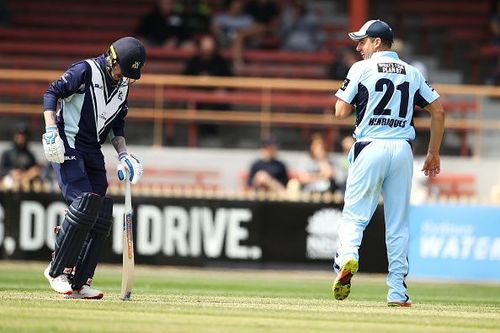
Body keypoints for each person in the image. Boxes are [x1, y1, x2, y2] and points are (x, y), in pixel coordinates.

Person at [331, 20, 445, 307]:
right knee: (397, 225)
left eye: (363, 41)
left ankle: (347, 258)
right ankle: (397, 292)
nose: (359, 47)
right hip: (403, 150)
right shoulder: (413, 72)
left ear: (377, 43)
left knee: (354, 217)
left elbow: (340, 112)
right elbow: (439, 111)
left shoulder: (361, 69)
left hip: (370, 146)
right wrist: (433, 153)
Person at [42, 37, 146, 299]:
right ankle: (57, 271)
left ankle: (80, 281)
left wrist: (123, 155)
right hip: (68, 144)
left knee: (100, 212)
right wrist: (51, 131)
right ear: (112, 59)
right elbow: (51, 93)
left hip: (93, 150)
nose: (127, 77)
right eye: (124, 69)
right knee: (84, 205)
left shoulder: (123, 86)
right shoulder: (86, 70)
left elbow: (116, 126)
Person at [0, 124, 40, 189]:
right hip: (11, 179)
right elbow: (2, 170)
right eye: (19, 135)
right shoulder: (7, 153)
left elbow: (35, 170)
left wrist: (27, 174)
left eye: (23, 136)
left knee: (35, 184)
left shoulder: (30, 154)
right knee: (13, 183)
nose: (21, 138)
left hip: (26, 179)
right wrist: (11, 172)